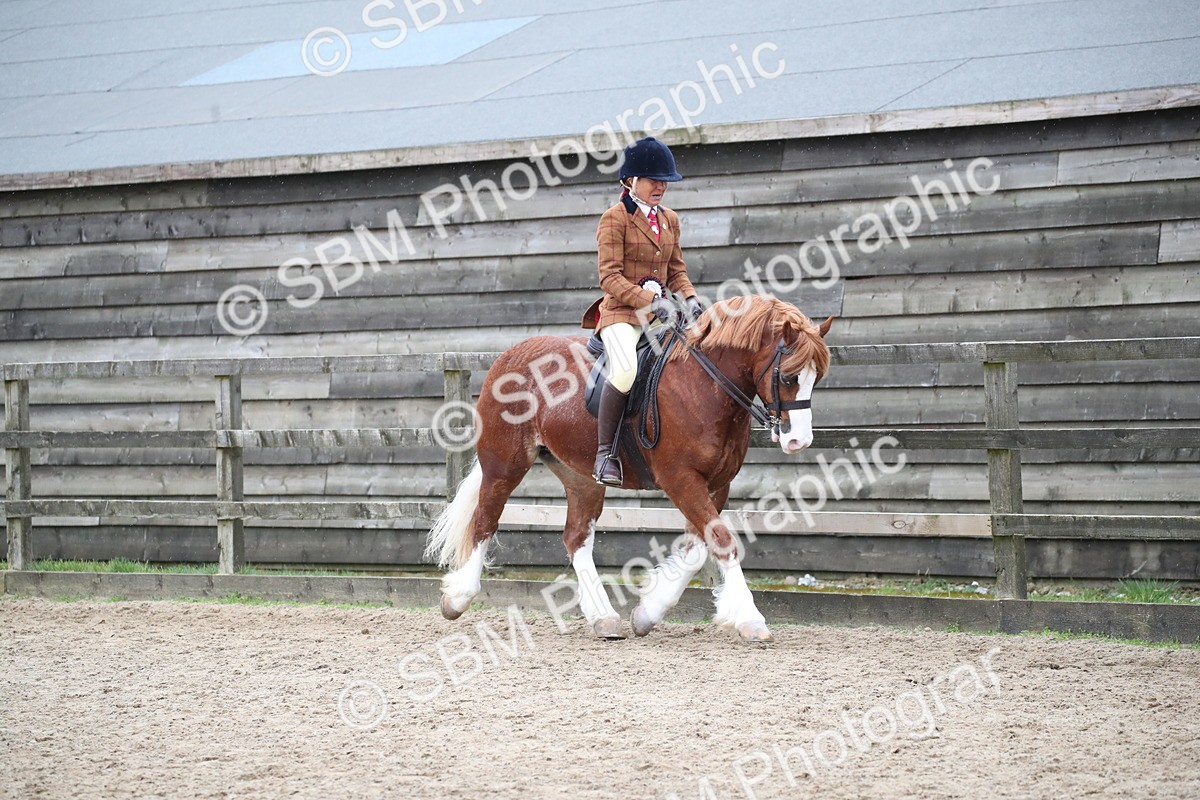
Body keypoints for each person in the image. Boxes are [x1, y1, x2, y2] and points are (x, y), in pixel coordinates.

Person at [586, 136, 704, 486]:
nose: (661, 187)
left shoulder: (670, 219)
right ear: (630, 180)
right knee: (625, 371)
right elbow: (609, 277)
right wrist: (652, 302)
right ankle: (605, 455)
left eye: (665, 181)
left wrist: (691, 298)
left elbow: (676, 270)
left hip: (662, 316)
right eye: (654, 180)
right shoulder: (614, 219)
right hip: (621, 315)